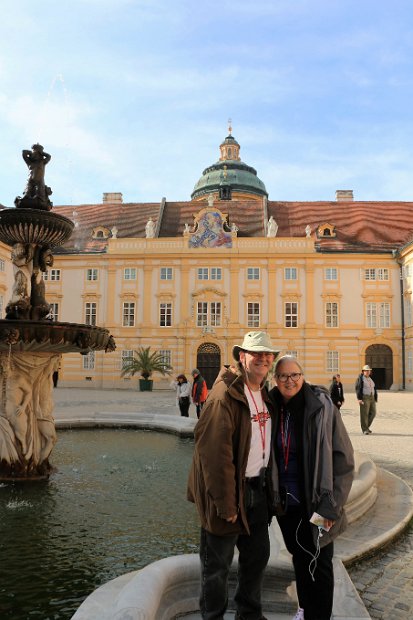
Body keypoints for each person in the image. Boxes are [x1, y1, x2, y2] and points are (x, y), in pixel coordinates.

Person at [187, 331, 280, 620]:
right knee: (217, 567)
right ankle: (212, 617)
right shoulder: (224, 395)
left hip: (257, 491)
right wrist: (226, 504)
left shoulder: (263, 391)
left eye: (268, 354)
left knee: (257, 557)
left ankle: (249, 614)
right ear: (242, 356)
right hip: (229, 493)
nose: (263, 358)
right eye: (256, 353)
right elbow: (214, 456)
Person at [269, 355, 354, 620]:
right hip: (288, 504)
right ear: (276, 379)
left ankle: (320, 616)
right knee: (300, 556)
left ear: (302, 376)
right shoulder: (271, 407)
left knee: (321, 559)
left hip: (319, 502)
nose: (289, 381)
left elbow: (344, 458)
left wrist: (333, 503)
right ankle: (305, 610)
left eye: (295, 375)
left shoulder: (323, 406)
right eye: (283, 376)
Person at [355, 364, 377, 435]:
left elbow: (374, 388)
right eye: (366, 371)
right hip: (365, 397)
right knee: (364, 414)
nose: (367, 372)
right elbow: (358, 388)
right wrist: (359, 399)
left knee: (373, 413)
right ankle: (365, 429)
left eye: (369, 371)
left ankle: (366, 427)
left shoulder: (370, 379)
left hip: (372, 398)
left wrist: (375, 397)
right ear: (363, 371)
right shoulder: (361, 379)